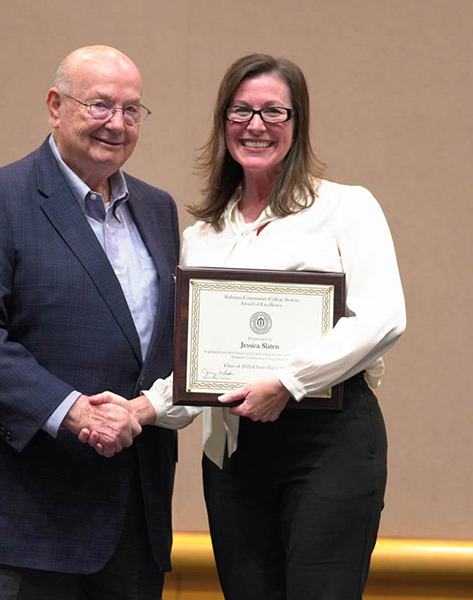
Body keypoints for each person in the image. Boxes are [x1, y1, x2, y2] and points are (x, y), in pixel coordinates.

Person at [89, 54, 406, 599]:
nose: (255, 126)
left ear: (297, 123)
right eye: (241, 111)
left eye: (273, 112)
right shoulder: (204, 234)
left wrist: (286, 382)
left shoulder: (346, 208)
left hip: (328, 447)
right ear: (223, 121)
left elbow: (383, 317)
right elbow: (198, 369)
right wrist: (140, 409)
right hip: (234, 456)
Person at [0, 45, 181, 599]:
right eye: (99, 105)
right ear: (55, 105)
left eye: (132, 109)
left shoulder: (159, 209)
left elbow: (169, 348)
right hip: (20, 517)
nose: (116, 124)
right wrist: (73, 412)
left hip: (131, 521)